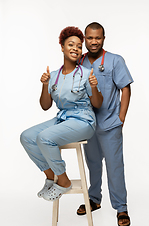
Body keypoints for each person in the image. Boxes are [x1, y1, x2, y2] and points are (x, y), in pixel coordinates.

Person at [20, 26, 103, 201]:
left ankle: (64, 182)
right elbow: (45, 106)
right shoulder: (55, 76)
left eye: (79, 46)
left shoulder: (86, 74)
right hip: (63, 117)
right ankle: (51, 177)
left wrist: (94, 87)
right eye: (71, 44)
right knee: (27, 136)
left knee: (44, 137)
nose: (76, 49)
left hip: (83, 120)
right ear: (62, 47)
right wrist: (44, 85)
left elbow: (97, 104)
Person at [77, 22, 133, 226]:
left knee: (115, 166)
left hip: (110, 124)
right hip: (87, 124)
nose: (94, 42)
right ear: (84, 38)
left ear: (103, 38)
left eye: (98, 38)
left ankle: (121, 207)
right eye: (90, 38)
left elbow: (125, 88)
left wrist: (121, 117)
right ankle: (94, 200)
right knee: (92, 164)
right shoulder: (78, 61)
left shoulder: (115, 61)